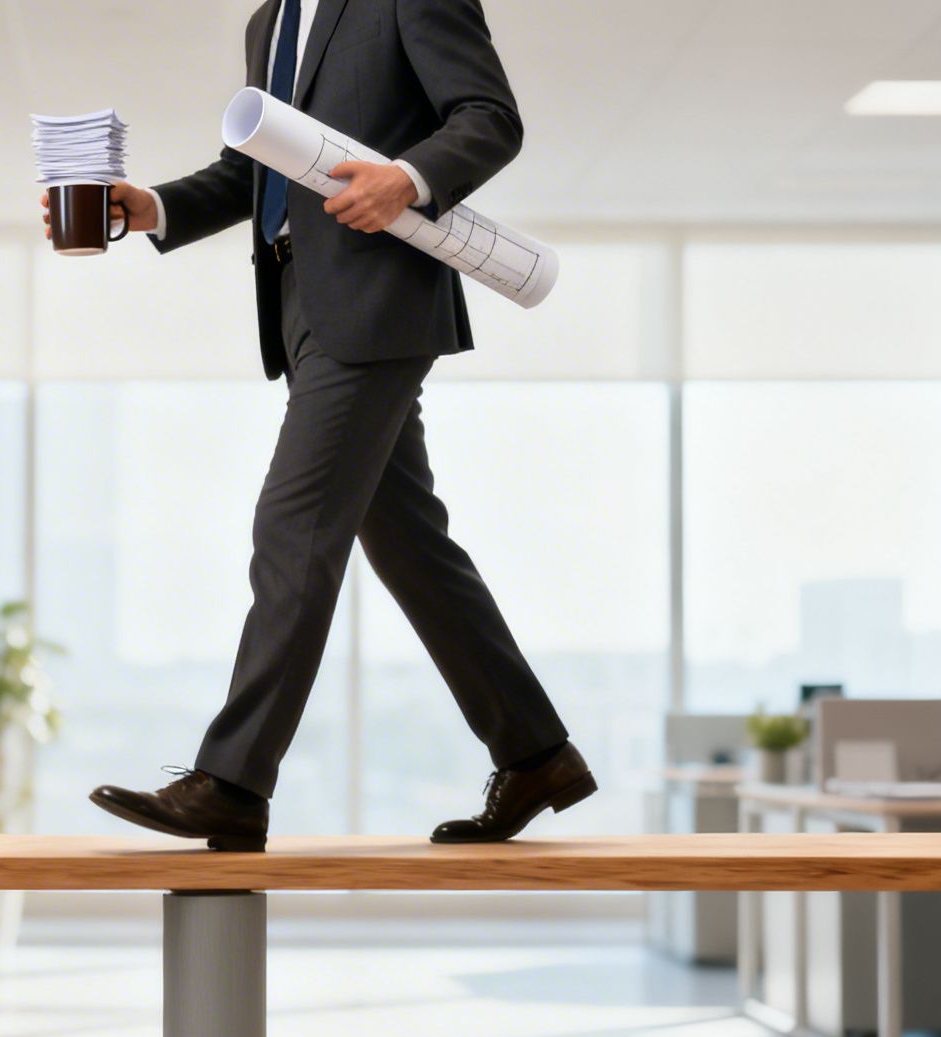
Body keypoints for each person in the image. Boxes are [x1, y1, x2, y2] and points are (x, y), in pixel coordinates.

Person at [42, 0, 593, 852]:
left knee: (293, 525)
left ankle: (232, 781)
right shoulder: (271, 22)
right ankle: (536, 755)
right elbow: (256, 173)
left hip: (379, 298)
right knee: (409, 543)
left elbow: (489, 117)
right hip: (303, 306)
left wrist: (406, 178)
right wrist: (149, 205)